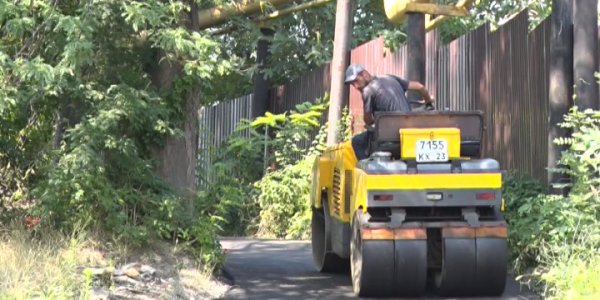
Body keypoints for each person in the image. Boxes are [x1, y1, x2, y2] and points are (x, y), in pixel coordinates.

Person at [344, 64, 434, 160]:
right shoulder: (389, 78)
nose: (356, 86)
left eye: (356, 81)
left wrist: (375, 118)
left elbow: (368, 121)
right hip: (409, 129)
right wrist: (428, 102)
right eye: (352, 84)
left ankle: (368, 169)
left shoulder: (367, 91)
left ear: (364, 74)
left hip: (390, 137)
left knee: (356, 141)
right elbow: (419, 87)